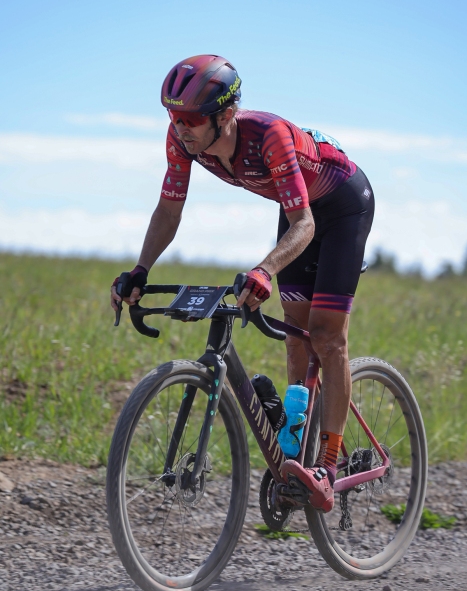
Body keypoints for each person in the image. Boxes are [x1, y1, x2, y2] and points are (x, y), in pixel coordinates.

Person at [110, 54, 374, 512]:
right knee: (295, 336)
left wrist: (265, 269)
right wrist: (140, 270)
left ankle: (328, 467)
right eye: (172, 117)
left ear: (226, 114)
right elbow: (169, 211)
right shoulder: (182, 142)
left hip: (342, 206)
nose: (180, 128)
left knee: (327, 337)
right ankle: (295, 454)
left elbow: (305, 224)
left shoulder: (267, 137)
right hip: (299, 213)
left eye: (190, 117)